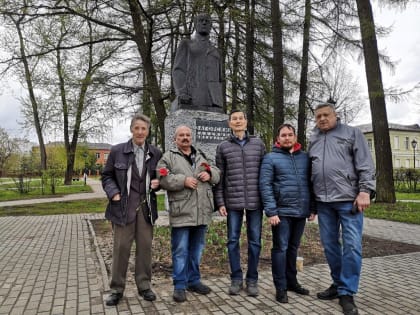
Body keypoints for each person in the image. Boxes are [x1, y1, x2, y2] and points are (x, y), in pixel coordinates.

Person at [308, 102, 376, 315]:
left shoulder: (352, 133)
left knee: (352, 246)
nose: (321, 119)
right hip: (323, 202)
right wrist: (311, 202)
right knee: (330, 246)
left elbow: (365, 164)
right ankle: (338, 284)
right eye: (318, 116)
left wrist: (365, 191)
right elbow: (310, 171)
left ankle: (347, 292)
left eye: (326, 115)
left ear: (336, 115)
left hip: (349, 201)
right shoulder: (314, 138)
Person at [102, 114, 162, 306]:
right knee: (121, 249)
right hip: (123, 208)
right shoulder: (118, 151)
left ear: (148, 131)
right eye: (137, 128)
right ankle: (116, 289)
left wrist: (158, 183)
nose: (140, 132)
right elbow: (107, 176)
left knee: (144, 248)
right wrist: (113, 193)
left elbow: (160, 178)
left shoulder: (155, 153)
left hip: (145, 210)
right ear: (131, 129)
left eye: (143, 128)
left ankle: (144, 286)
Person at [157, 125, 220, 303]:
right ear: (175, 139)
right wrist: (183, 180)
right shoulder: (168, 157)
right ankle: (179, 285)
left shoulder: (201, 155)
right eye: (181, 135)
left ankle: (194, 281)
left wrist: (209, 173)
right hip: (182, 212)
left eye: (188, 135)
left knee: (196, 249)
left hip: (202, 211)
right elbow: (162, 178)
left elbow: (217, 172)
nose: (185, 138)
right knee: (180, 250)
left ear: (191, 137)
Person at [259, 124, 316, 303]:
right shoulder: (270, 158)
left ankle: (292, 281)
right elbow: (265, 185)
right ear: (278, 138)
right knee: (280, 249)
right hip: (281, 213)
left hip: (300, 212)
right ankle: (280, 287)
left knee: (293, 248)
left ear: (295, 137)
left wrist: (313, 208)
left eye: (290, 135)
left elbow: (311, 183)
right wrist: (271, 211)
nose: (287, 138)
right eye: (283, 135)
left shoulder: (305, 158)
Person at [214, 110, 266, 296]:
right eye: (234, 119)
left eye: (240, 118)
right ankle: (236, 278)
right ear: (229, 124)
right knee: (232, 241)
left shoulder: (258, 144)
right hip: (232, 202)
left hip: (255, 201)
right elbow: (219, 177)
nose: (237, 121)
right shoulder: (223, 147)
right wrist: (220, 202)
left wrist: (266, 201)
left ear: (246, 121)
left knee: (254, 242)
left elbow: (265, 175)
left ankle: (252, 280)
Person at [172, 13, 223, 112]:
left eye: (207, 21)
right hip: (192, 96)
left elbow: (219, 79)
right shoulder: (187, 44)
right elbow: (178, 70)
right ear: (195, 24)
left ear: (211, 26)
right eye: (201, 20)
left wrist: (218, 98)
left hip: (213, 101)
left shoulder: (216, 51)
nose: (204, 23)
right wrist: (182, 93)